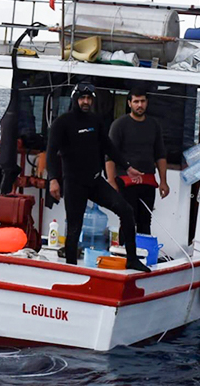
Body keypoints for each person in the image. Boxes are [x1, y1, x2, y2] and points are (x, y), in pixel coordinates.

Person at [46, 82, 151, 272]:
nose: (86, 102)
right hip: (74, 183)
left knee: (126, 211)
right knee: (74, 228)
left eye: (89, 99)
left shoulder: (95, 121)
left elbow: (109, 147)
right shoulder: (62, 123)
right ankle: (71, 270)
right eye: (82, 98)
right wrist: (53, 179)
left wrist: (127, 167)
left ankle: (132, 258)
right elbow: (51, 153)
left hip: (95, 181)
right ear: (75, 99)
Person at [105, 86, 169, 246]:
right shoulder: (119, 125)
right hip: (125, 182)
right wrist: (111, 181)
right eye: (136, 102)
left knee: (145, 221)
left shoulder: (154, 125)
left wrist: (163, 181)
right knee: (127, 218)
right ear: (129, 103)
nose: (139, 105)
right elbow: (109, 155)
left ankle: (144, 253)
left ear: (147, 102)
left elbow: (160, 155)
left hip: (147, 182)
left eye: (142, 101)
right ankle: (123, 253)